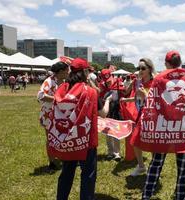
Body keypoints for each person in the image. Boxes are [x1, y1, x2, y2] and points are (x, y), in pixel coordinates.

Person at [131, 50, 185, 200]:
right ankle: (180, 195)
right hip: (184, 126)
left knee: (156, 162)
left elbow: (152, 103)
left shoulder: (159, 79)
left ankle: (147, 194)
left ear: (166, 63)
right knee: (183, 163)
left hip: (163, 127)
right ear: (179, 63)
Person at [47, 58, 100, 200]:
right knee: (88, 174)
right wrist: (107, 101)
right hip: (85, 140)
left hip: (66, 139)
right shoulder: (90, 91)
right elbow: (103, 113)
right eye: (88, 70)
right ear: (84, 72)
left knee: (67, 172)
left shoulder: (61, 90)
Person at [120, 58, 155, 176]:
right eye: (138, 68)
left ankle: (155, 166)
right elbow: (137, 99)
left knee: (153, 143)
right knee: (134, 141)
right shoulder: (137, 82)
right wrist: (126, 99)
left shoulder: (156, 82)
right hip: (140, 115)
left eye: (143, 68)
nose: (140, 70)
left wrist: (145, 95)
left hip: (152, 116)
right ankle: (141, 166)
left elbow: (157, 101)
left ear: (150, 69)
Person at [37, 61, 69, 170]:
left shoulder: (65, 81)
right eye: (66, 71)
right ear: (60, 72)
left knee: (63, 137)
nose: (68, 72)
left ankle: (62, 157)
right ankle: (52, 162)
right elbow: (40, 95)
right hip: (49, 115)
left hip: (62, 114)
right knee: (51, 138)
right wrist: (57, 100)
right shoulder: (49, 81)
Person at [98, 68, 125, 161]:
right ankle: (110, 152)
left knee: (116, 131)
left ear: (112, 76)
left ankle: (117, 153)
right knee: (108, 132)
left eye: (109, 80)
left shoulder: (119, 82)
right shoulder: (102, 85)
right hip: (107, 110)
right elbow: (100, 96)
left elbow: (124, 93)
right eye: (106, 81)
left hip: (116, 110)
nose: (108, 83)